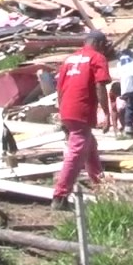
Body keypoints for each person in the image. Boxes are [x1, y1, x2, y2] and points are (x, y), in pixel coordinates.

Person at [52, 31, 112, 210]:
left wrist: (62, 113)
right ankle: (60, 196)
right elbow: (100, 85)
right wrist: (107, 113)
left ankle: (102, 189)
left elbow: (60, 89)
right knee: (77, 151)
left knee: (90, 147)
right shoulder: (98, 58)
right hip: (82, 109)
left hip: (68, 109)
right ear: (100, 43)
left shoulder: (69, 59)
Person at [115, 50, 133, 136]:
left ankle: (127, 127)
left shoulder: (119, 64)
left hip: (125, 88)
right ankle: (130, 127)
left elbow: (119, 76)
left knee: (127, 108)